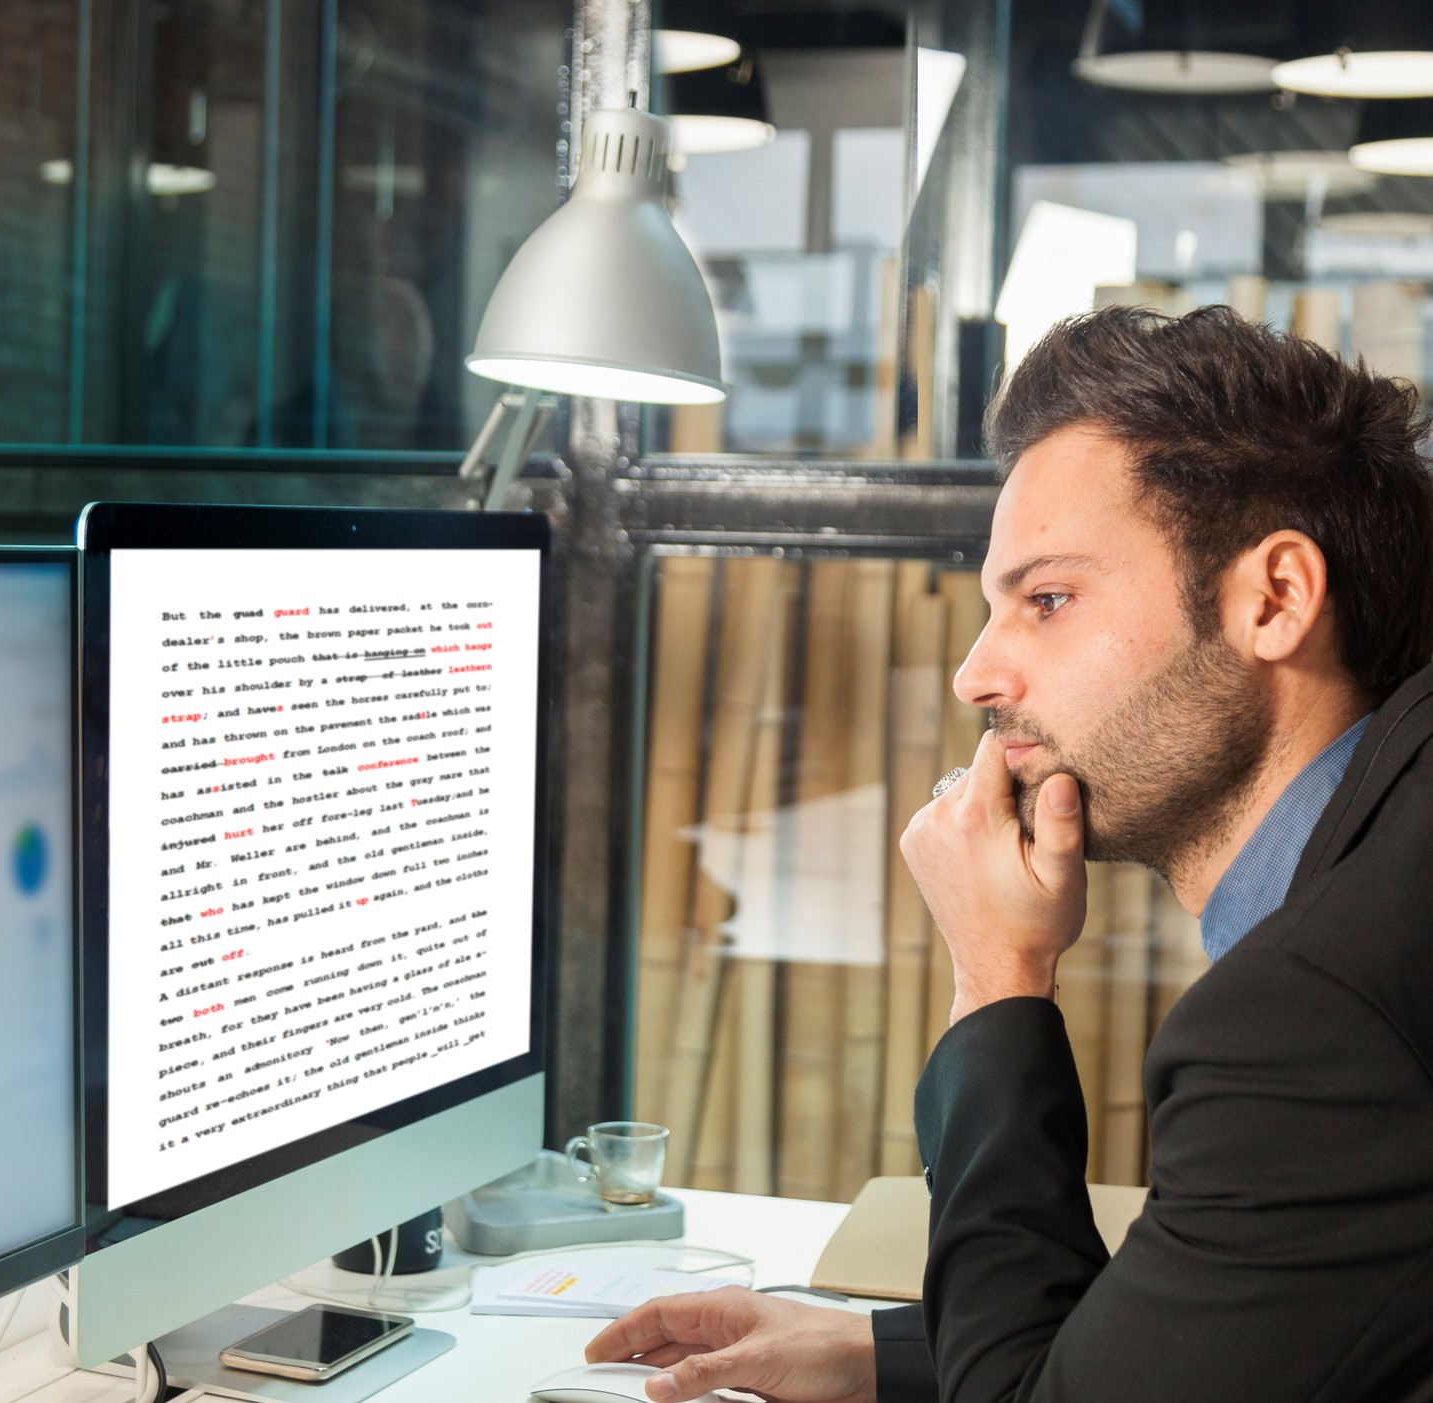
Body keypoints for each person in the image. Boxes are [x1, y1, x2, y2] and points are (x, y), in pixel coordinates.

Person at [586, 305, 1433, 1402]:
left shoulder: (1314, 1017)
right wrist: (884, 1350)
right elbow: (1270, 1319)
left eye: (1049, 599)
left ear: (1273, 597)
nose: (975, 674)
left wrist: (997, 979)